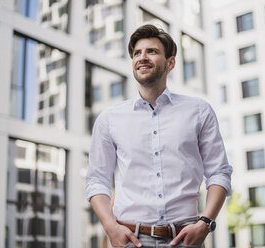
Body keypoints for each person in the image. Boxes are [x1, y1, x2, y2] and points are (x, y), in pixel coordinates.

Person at [86, 24, 233, 248]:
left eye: (151, 51)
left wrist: (205, 222)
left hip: (186, 238)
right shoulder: (109, 119)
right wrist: (109, 226)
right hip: (131, 239)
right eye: (137, 53)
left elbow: (219, 173)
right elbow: (97, 180)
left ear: (170, 62)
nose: (142, 57)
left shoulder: (199, 111)